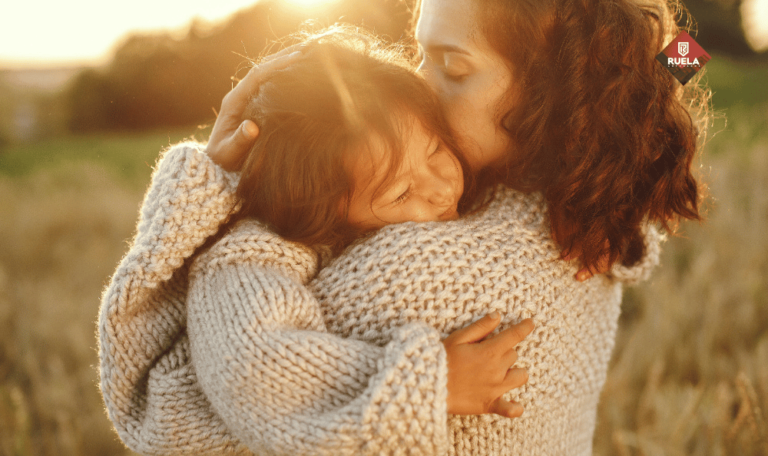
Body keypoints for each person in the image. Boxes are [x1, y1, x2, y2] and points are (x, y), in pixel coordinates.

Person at [99, 0, 710, 454]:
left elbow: (169, 417)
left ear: (555, 85)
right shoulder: (590, 211)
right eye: (420, 53)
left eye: (453, 65)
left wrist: (222, 189)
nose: (421, 83)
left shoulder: (416, 270)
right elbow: (673, 57)